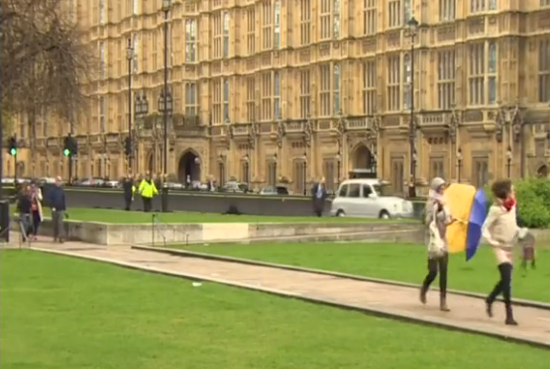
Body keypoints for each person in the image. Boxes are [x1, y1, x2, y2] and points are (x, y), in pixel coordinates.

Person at [482, 179, 520, 325]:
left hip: (511, 246)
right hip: (499, 247)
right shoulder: (495, 209)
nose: (513, 192)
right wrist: (492, 242)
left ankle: (490, 299)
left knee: (506, 279)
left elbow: (513, 223)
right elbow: (484, 228)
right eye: (512, 189)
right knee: (506, 279)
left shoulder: (512, 206)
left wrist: (520, 234)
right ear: (505, 192)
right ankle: (509, 315)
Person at [420, 177, 453, 312]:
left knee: (444, 272)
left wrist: (450, 221)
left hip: (443, 240)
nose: (443, 189)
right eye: (440, 187)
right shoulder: (430, 203)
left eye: (443, 187)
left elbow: (446, 221)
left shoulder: (445, 203)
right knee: (433, 272)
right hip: (433, 241)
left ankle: (443, 301)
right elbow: (427, 221)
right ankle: (424, 288)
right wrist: (437, 211)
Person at [48, 176, 67, 243]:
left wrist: (65, 209)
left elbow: (63, 199)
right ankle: (55, 236)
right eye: (58, 181)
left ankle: (61, 237)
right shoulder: (52, 190)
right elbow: (50, 199)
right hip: (54, 209)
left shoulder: (62, 190)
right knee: (55, 224)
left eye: (60, 181)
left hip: (61, 209)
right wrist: (52, 207)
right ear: (55, 182)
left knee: (60, 223)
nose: (59, 182)